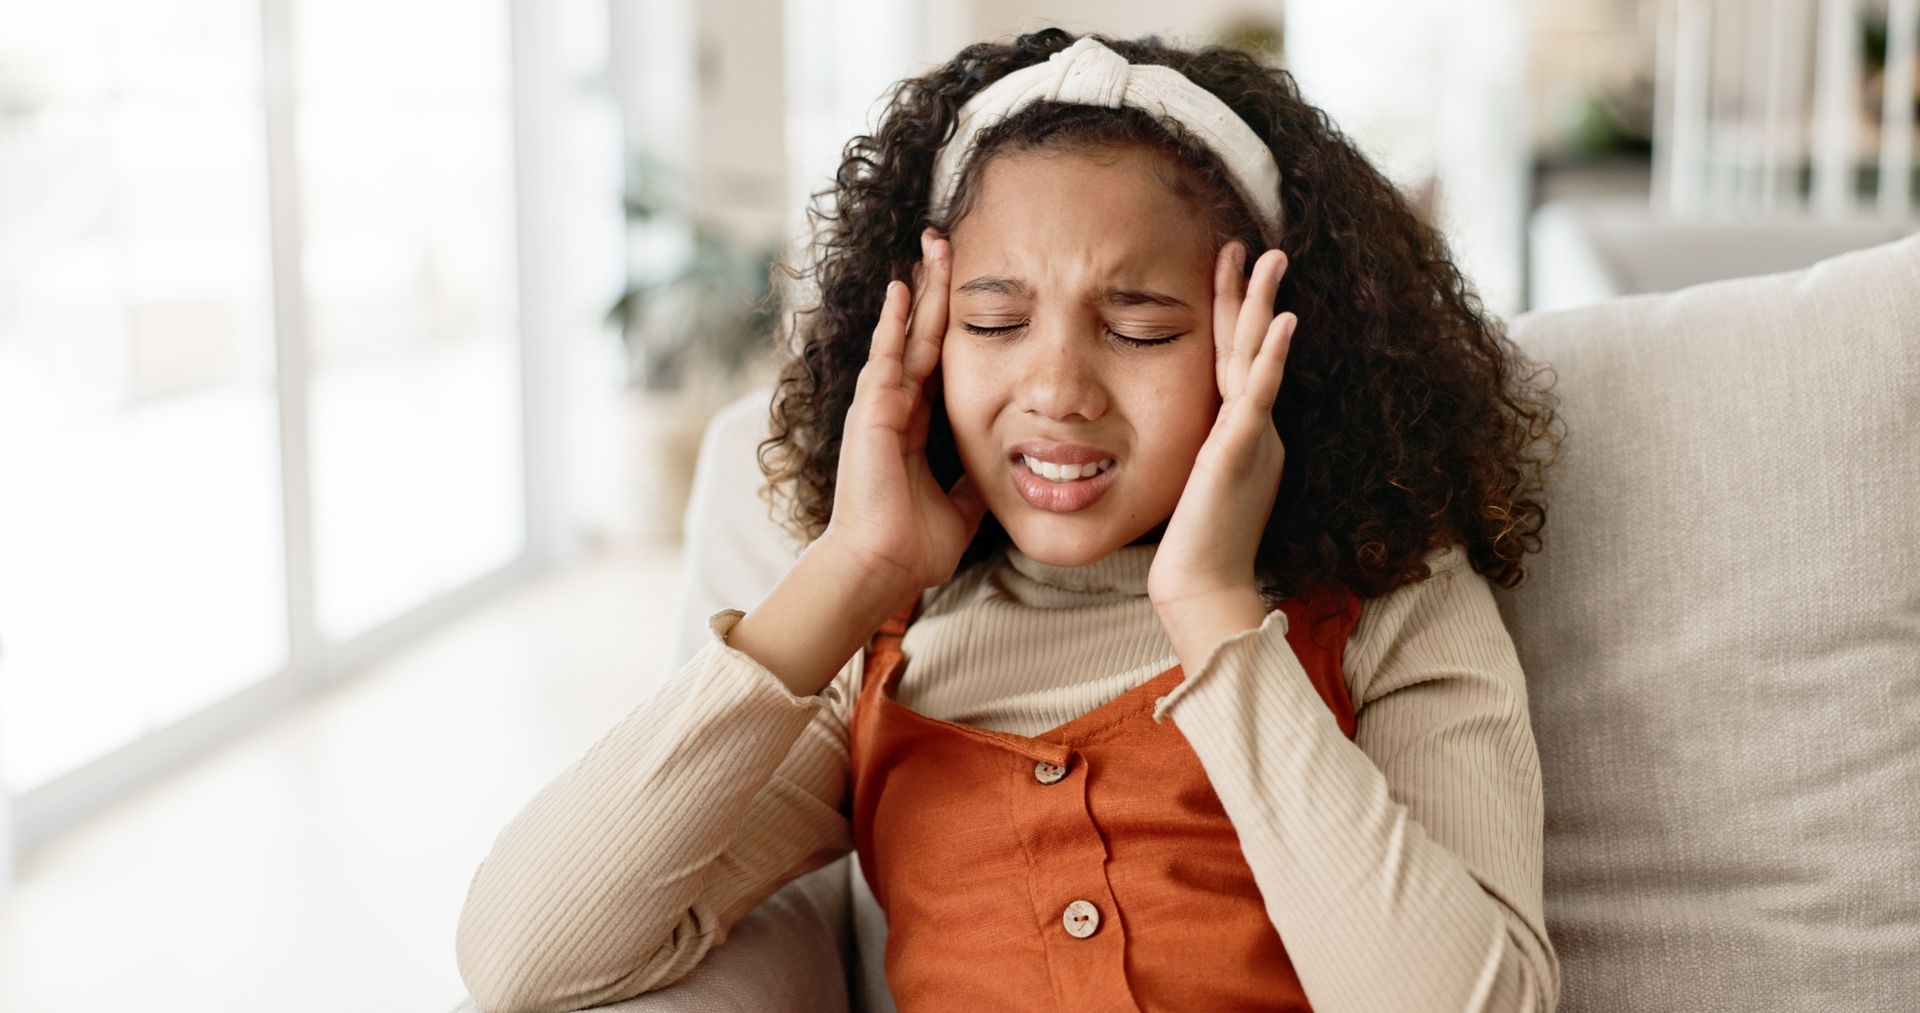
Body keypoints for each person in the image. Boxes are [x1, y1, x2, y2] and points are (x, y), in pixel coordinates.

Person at [456, 27, 1566, 1013]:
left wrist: (1217, 616)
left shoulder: (1394, 605)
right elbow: (520, 955)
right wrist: (853, 564)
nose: (1058, 387)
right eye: (995, 319)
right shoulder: (882, 656)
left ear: (1267, 340)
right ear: (928, 338)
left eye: (1138, 327)